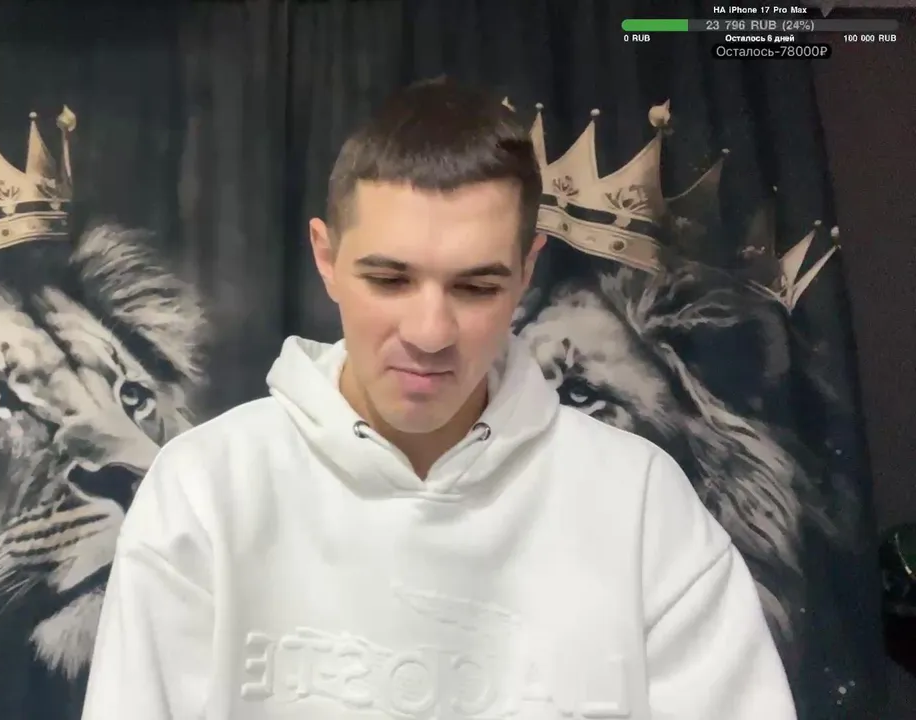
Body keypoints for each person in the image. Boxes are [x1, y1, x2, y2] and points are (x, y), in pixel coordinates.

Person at [80, 78, 796, 719]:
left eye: (476, 286)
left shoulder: (641, 503)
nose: (429, 333)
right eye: (389, 280)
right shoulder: (204, 489)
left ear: (526, 273)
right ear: (326, 259)